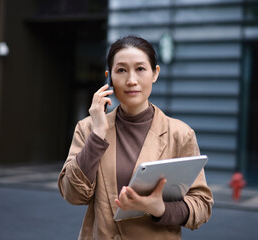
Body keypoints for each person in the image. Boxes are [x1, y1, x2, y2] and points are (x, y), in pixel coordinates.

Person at [58, 35, 213, 240]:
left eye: (140, 69)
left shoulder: (180, 134)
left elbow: (202, 205)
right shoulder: (88, 128)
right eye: (121, 70)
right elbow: (73, 195)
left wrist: (161, 209)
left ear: (155, 74)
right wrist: (97, 135)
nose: (131, 81)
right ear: (109, 77)